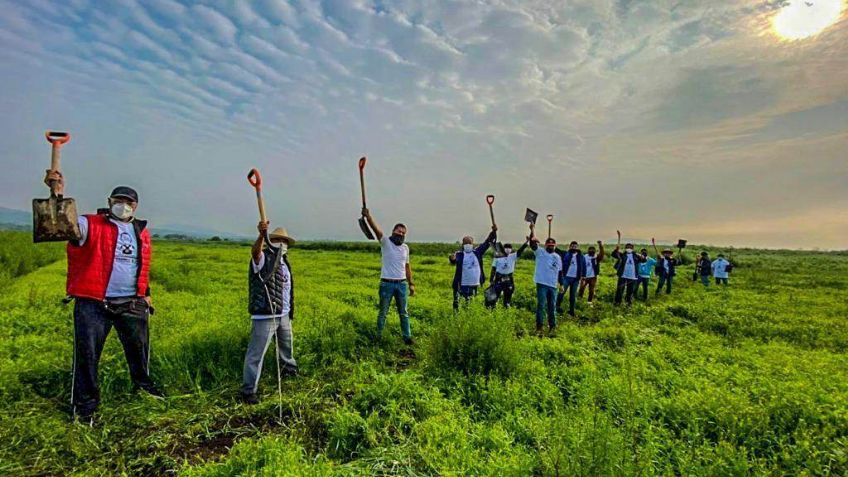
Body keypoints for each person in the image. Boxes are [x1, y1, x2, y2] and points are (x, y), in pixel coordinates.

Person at [43, 170, 162, 424]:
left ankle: (144, 388)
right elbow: (63, 226)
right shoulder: (90, 224)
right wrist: (57, 194)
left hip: (131, 302)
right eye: (119, 201)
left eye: (129, 202)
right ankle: (85, 407)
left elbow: (141, 265)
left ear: (136, 206)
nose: (124, 206)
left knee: (139, 351)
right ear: (109, 203)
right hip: (94, 303)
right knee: (87, 355)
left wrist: (146, 295)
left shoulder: (141, 232)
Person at [241, 222, 298, 405]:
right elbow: (255, 253)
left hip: (283, 314)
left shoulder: (284, 262)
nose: (282, 243)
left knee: (286, 346)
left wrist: (289, 312)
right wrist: (260, 236)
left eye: (284, 241)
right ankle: (248, 391)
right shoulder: (263, 258)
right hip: (266, 314)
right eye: (277, 240)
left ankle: (289, 370)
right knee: (256, 353)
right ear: (270, 241)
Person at [361, 208, 415, 344]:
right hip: (387, 284)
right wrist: (368, 217)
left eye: (403, 233)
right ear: (393, 231)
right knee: (383, 312)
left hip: (402, 284)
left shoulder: (405, 248)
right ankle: (378, 337)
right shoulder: (385, 242)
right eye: (399, 231)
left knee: (404, 313)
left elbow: (407, 267)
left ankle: (407, 337)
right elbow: (376, 231)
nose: (401, 234)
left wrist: (411, 283)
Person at [449, 226, 497, 311]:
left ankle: (467, 317)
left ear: (472, 244)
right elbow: (454, 260)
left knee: (469, 303)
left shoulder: (477, 252)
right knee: (457, 303)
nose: (468, 245)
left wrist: (493, 232)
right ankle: (456, 318)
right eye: (466, 243)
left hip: (474, 284)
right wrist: (452, 258)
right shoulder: (459, 254)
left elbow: (487, 242)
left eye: (469, 243)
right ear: (463, 245)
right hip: (461, 285)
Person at [528, 224, 563, 335]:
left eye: (552, 245)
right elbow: (532, 244)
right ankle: (539, 327)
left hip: (553, 285)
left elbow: (560, 271)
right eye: (549, 245)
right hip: (542, 283)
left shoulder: (557, 257)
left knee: (552, 306)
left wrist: (561, 284)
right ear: (545, 245)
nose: (551, 247)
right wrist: (532, 230)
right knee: (541, 305)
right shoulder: (540, 252)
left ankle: (552, 326)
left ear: (555, 246)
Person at [489, 240, 529, 308]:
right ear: (503, 249)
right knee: (495, 295)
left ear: (511, 249)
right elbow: (493, 269)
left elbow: (520, 250)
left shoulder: (513, 256)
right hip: (499, 278)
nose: (508, 249)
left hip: (508, 278)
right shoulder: (497, 257)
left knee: (508, 296)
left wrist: (526, 243)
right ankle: (492, 308)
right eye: (506, 248)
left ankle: (506, 307)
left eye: (509, 248)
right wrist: (491, 280)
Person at [611, 231, 646, 306]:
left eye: (630, 247)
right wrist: (616, 249)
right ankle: (617, 303)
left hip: (632, 276)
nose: (629, 248)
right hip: (623, 275)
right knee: (620, 290)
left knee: (630, 291)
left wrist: (642, 256)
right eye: (627, 247)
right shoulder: (622, 254)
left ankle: (628, 304)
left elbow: (644, 260)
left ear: (633, 248)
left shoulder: (636, 255)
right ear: (625, 248)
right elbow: (613, 254)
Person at [556, 241, 585, 317]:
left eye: (575, 246)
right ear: (569, 247)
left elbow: (584, 267)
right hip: (566, 277)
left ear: (577, 247)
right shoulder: (565, 254)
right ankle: (557, 307)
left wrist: (583, 278)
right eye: (572, 246)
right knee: (561, 293)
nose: (573, 248)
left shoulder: (581, 256)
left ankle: (571, 311)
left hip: (576, 279)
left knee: (573, 296)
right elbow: (556, 250)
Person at [578, 241, 605, 306]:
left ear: (595, 251)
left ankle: (589, 302)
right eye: (590, 249)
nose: (591, 251)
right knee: (581, 288)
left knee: (591, 290)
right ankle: (579, 301)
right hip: (584, 277)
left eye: (593, 250)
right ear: (588, 251)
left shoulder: (596, 258)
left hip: (593, 277)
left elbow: (602, 254)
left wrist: (600, 245)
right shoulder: (584, 257)